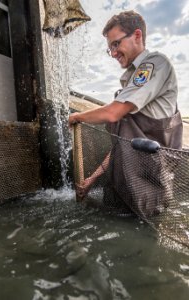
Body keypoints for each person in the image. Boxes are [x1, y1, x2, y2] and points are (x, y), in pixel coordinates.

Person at [69, 10, 183, 217]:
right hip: (122, 190)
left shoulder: (154, 64)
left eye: (116, 44)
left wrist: (77, 117)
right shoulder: (131, 81)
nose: (113, 53)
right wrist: (91, 180)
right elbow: (122, 144)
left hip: (146, 198)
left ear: (137, 36)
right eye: (109, 48)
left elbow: (113, 113)